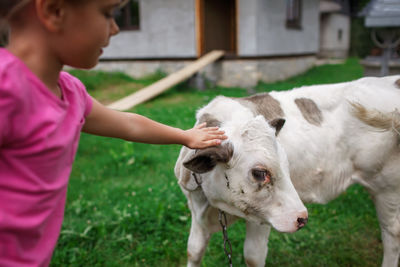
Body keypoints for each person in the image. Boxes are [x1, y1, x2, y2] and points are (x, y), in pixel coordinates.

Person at [0, 0, 227, 266]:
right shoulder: (7, 90)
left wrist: (184, 136)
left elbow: (128, 124)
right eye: (108, 14)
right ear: (54, 11)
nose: (116, 28)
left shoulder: (71, 93)